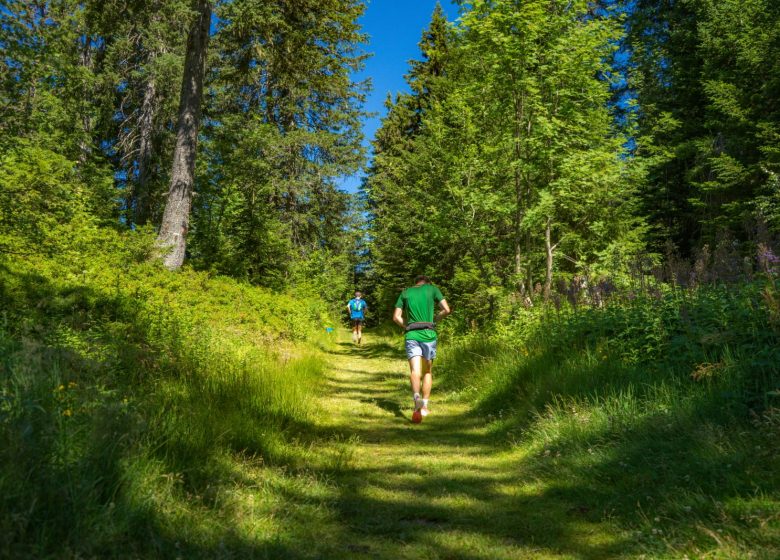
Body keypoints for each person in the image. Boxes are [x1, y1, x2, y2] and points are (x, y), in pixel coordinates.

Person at [393, 275, 451, 423]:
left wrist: (407, 326)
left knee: (415, 371)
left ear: (416, 283)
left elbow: (396, 317)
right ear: (427, 282)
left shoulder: (405, 292)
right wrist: (434, 320)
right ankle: (424, 407)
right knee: (427, 371)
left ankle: (416, 399)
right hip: (429, 335)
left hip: (412, 335)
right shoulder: (433, 289)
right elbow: (446, 309)